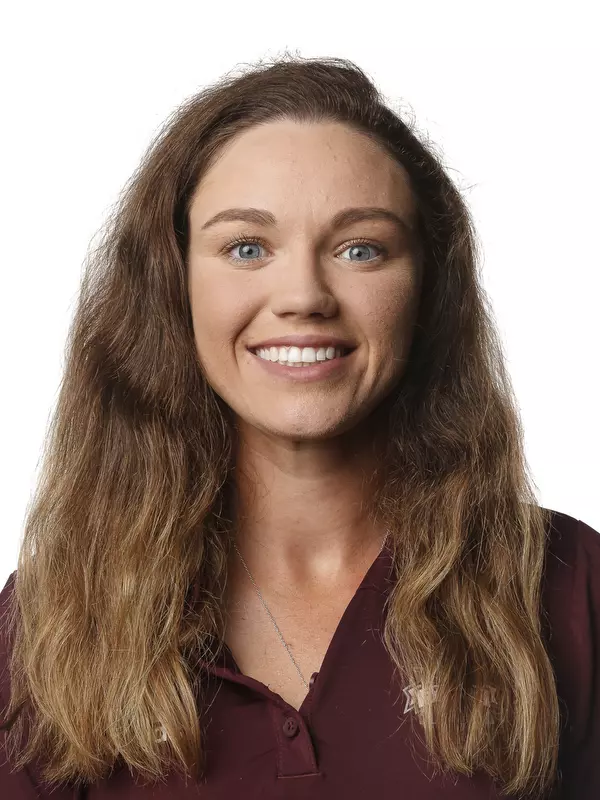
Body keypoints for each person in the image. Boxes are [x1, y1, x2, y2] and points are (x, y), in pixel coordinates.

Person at [0, 54, 598, 800]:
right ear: (173, 284)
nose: (305, 296)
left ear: (427, 289)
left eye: (360, 249)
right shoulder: (56, 614)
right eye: (247, 248)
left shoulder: (569, 585)